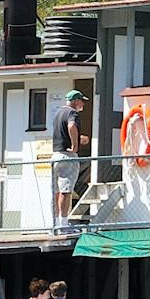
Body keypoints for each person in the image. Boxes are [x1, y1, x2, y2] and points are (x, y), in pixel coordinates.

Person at [50, 90, 89, 229]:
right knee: (66, 191)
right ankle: (63, 224)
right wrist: (74, 145)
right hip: (67, 156)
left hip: (55, 155)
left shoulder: (58, 114)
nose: (83, 103)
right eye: (81, 101)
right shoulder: (72, 113)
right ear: (76, 101)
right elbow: (71, 126)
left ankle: (55, 223)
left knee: (56, 192)